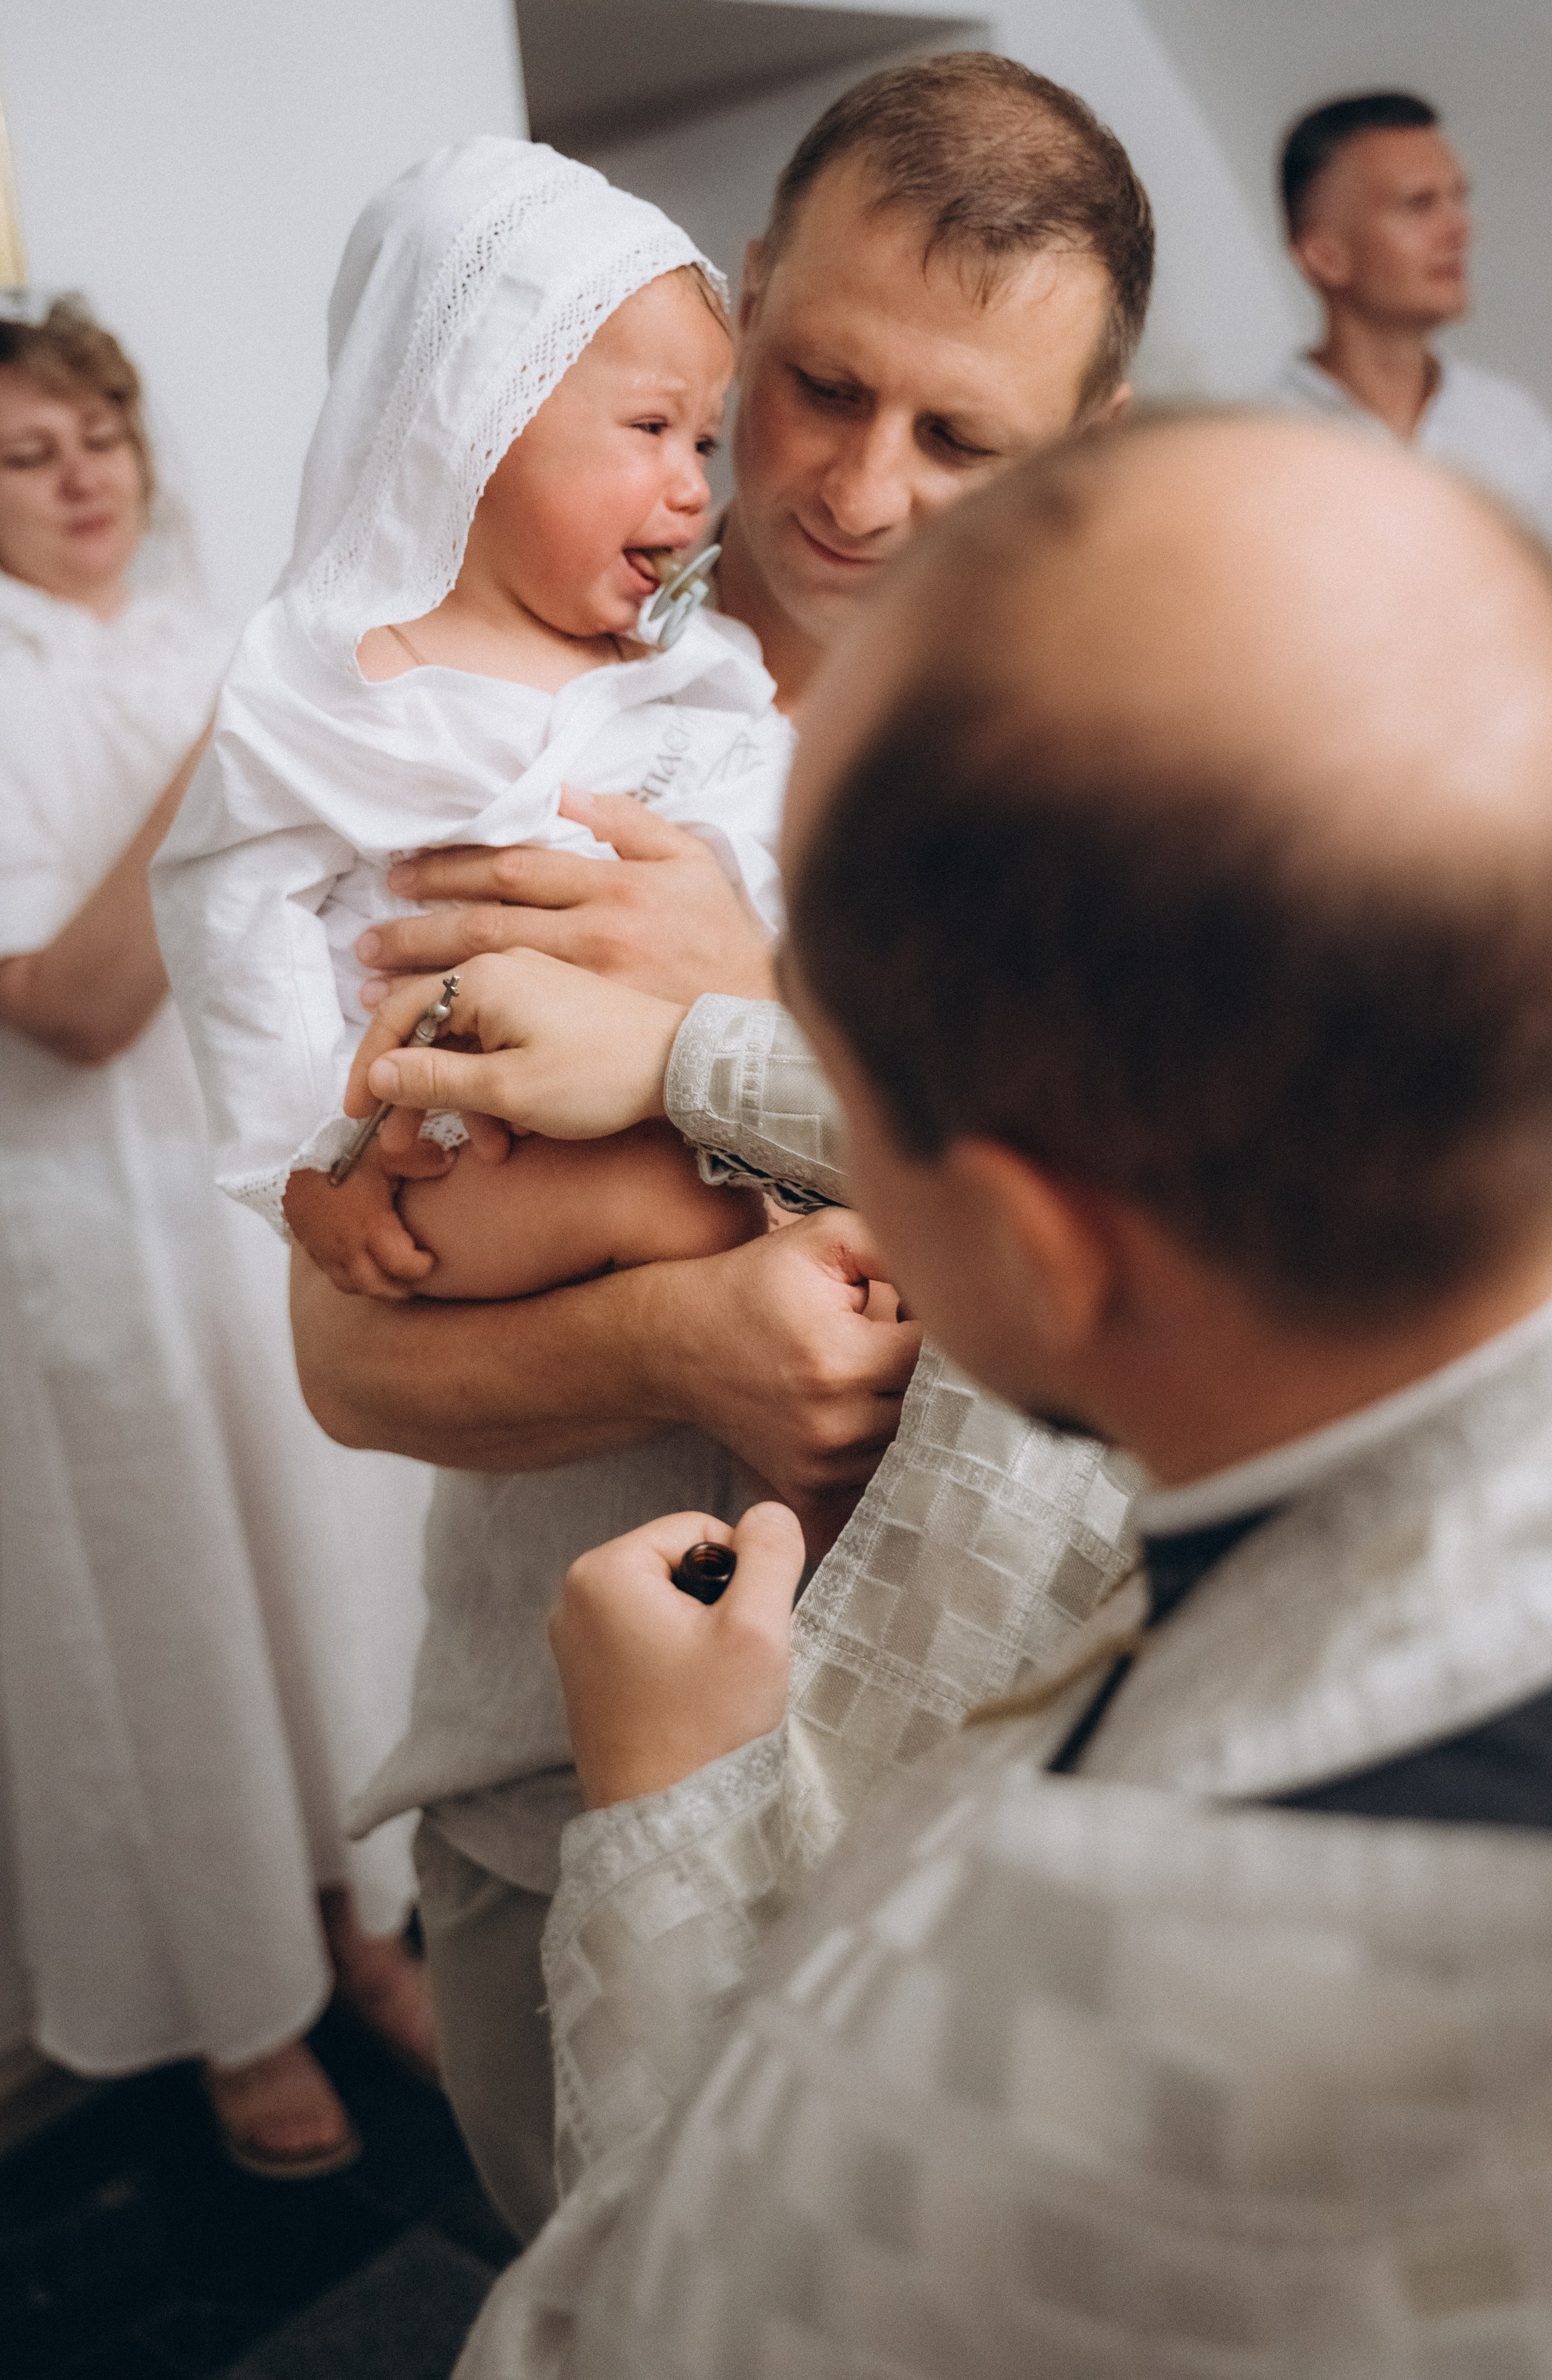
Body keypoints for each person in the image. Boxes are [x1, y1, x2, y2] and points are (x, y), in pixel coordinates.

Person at [374, 411, 1552, 2374]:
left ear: (1019, 1253)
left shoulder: (1075, 1984)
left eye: (838, 1071)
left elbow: (634, 2332)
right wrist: (697, 1048)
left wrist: (675, 1808)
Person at [287, 54, 1155, 2242]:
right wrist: (686, 1334)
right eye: (821, 381)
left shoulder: (1146, 776)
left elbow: (1174, 1312)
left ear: (1095, 446)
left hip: (988, 1806)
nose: (860, 488)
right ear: (743, 297)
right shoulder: (506, 711)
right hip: (536, 1788)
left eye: (964, 438)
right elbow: (352, 1354)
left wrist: (730, 1024)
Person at [0, 296, 437, 2178]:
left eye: (97, 428)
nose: (81, 471)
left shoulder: (199, 636)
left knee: (326, 1569)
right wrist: (245, 741)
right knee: (168, 1611)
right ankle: (238, 1996)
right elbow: (76, 1002)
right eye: (24, 451)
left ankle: (369, 1919)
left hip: (262, 1185)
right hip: (83, 1221)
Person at [155, 141, 787, 1309]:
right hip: (444, 1152)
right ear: (471, 421)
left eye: (703, 438)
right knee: (694, 1206)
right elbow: (235, 912)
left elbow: (769, 814)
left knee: (775, 1205)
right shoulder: (335, 681)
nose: (697, 482)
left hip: (668, 1084)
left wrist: (729, 904)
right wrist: (308, 1157)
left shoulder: (682, 661)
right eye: (651, 427)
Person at [1271, 89, 1552, 561]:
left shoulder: (1515, 430)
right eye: (1419, 204)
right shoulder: (1260, 452)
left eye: (1458, 198)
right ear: (1324, 256)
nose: (1461, 230)